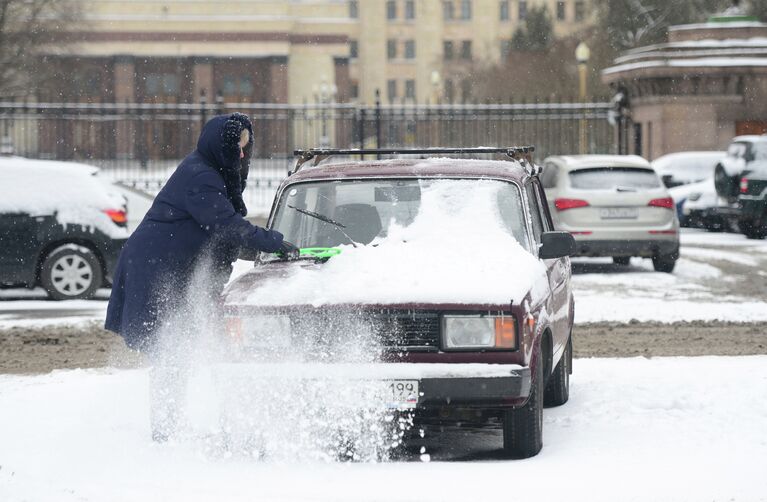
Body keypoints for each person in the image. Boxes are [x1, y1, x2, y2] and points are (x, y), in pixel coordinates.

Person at [105, 112, 296, 441]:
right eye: (237, 146)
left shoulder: (210, 172)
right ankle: (166, 432)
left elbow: (219, 231)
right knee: (169, 352)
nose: (240, 154)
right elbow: (225, 225)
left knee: (191, 345)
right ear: (221, 145)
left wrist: (257, 248)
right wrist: (274, 242)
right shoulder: (201, 177)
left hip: (174, 269)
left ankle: (191, 425)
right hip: (156, 271)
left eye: (245, 148)